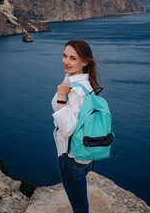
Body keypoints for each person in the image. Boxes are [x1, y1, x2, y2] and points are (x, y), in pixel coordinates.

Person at [51, 39, 99, 213]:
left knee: (80, 208)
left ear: (85, 62)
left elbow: (68, 129)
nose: (66, 61)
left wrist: (62, 97)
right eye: (64, 56)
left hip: (69, 157)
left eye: (73, 58)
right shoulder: (87, 85)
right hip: (85, 155)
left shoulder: (75, 91)